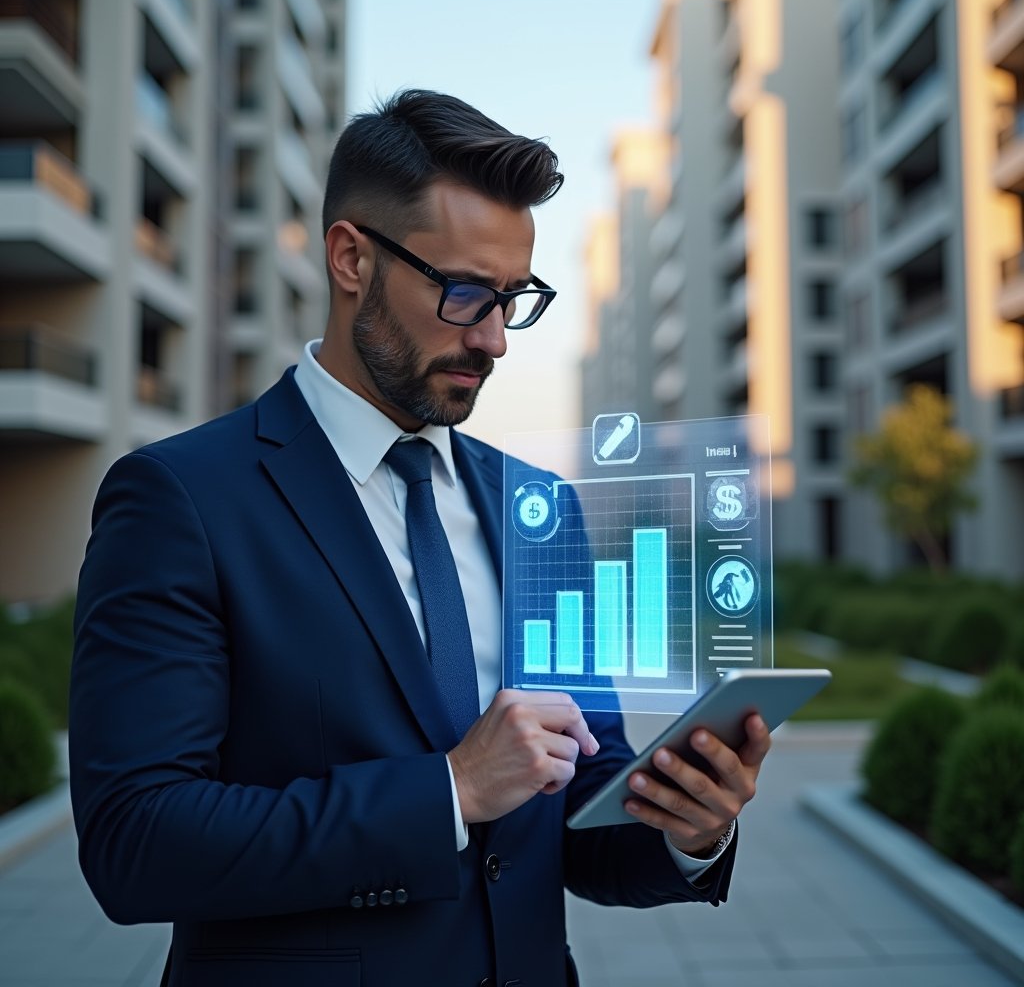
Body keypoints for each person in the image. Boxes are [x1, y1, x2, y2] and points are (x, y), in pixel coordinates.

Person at [70, 90, 771, 987]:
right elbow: (137, 842)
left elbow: (576, 811)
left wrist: (687, 826)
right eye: (465, 293)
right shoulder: (181, 500)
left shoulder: (541, 508)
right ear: (351, 257)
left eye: (513, 301)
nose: (494, 340)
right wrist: (448, 792)